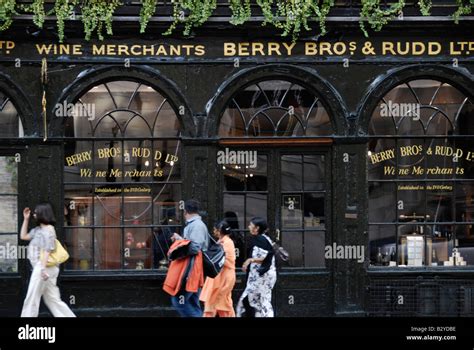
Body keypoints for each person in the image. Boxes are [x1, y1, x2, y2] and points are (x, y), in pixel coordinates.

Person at [20, 203, 75, 317]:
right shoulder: (38, 230)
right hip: (47, 268)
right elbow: (23, 236)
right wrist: (25, 219)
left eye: (35, 212)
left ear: (42, 213)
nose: (34, 214)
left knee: (31, 298)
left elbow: (47, 250)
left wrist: (42, 269)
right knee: (53, 300)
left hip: (43, 268)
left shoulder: (48, 230)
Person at [169, 199, 209, 317]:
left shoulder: (197, 226)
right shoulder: (196, 225)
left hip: (191, 271)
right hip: (193, 270)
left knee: (178, 300)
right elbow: (192, 244)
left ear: (185, 212)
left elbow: (195, 247)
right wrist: (180, 239)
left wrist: (179, 240)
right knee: (192, 302)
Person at [236, 217, 276, 317]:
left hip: (262, 276)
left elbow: (265, 257)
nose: (249, 227)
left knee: (262, 301)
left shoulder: (260, 239)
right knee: (257, 300)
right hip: (261, 276)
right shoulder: (263, 238)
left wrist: (250, 260)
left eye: (251, 225)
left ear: (256, 228)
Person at [200, 220, 236, 317]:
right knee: (219, 302)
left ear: (219, 230)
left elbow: (224, 260)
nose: (214, 231)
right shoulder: (224, 241)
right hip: (221, 276)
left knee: (221, 302)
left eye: (215, 229)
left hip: (224, 277)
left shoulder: (227, 242)